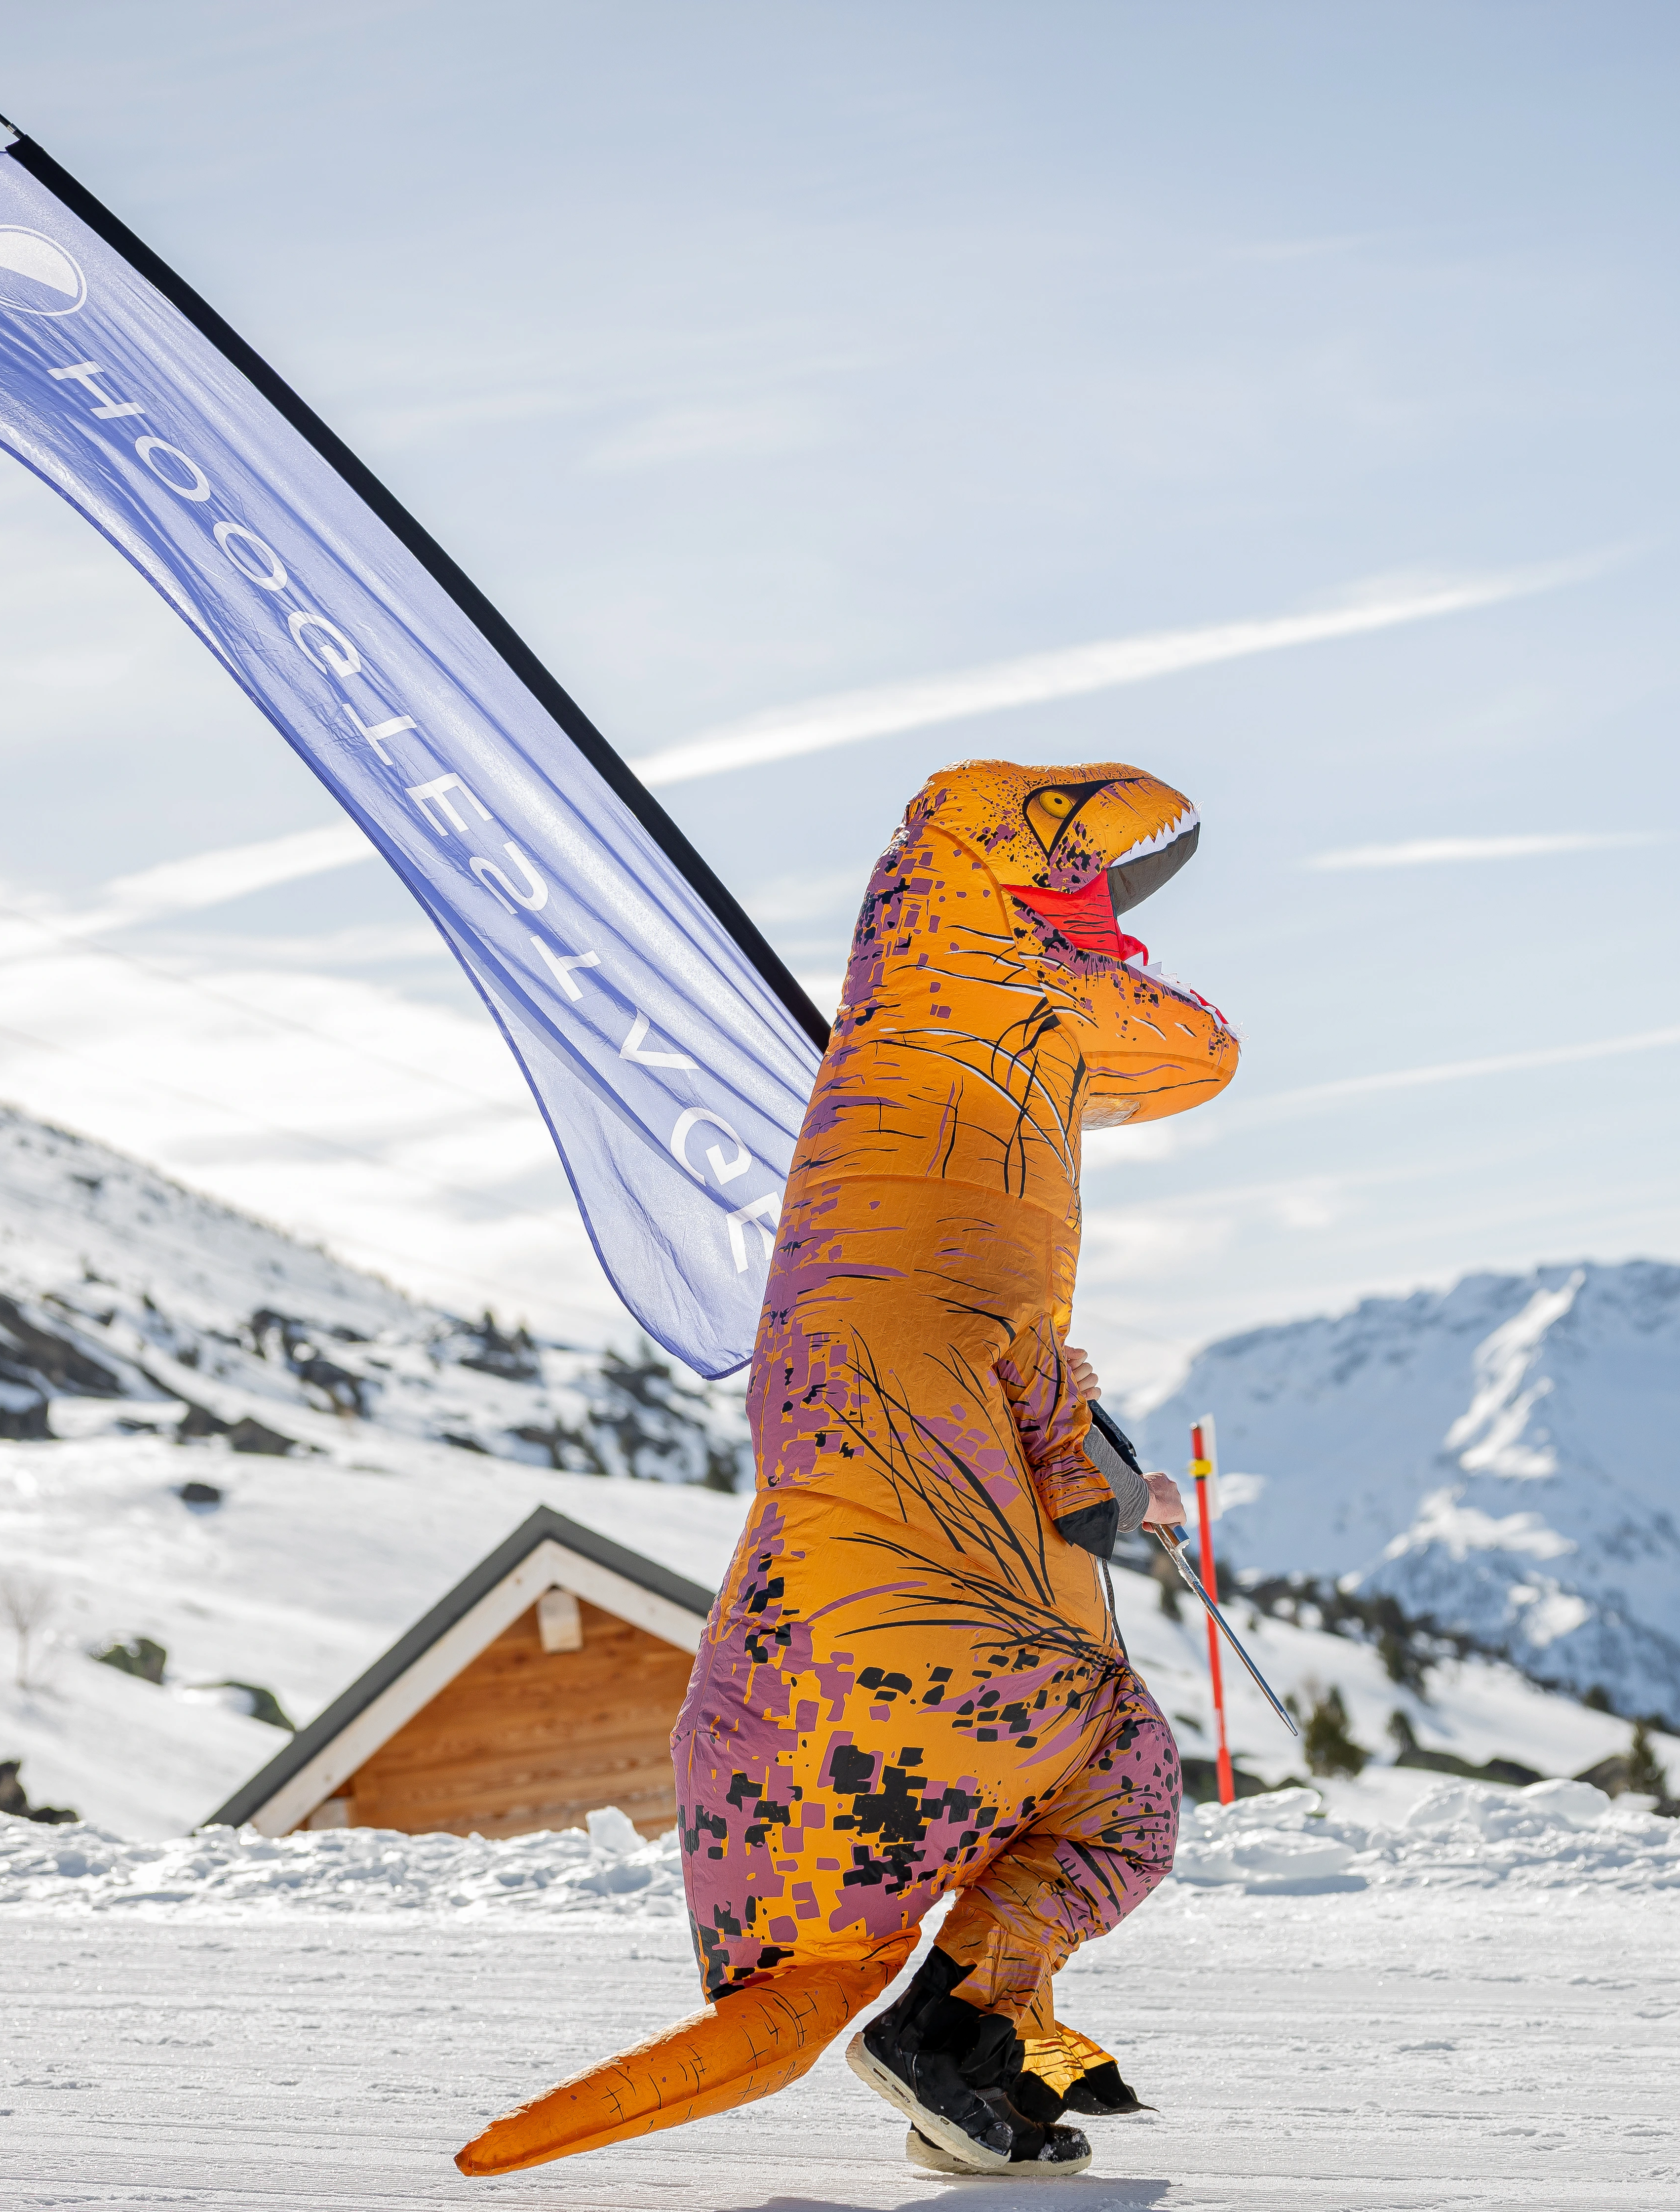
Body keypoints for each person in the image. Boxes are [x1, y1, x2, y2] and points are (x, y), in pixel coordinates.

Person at [458, 760, 1237, 2180]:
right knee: (1083, 1750)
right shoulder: (969, 962)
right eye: (1092, 899)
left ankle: (959, 2052)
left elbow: (1155, 1077)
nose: (1118, 927)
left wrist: (1081, 1459)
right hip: (899, 1435)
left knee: (1104, 1782)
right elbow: (1191, 1038)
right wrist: (1088, 916)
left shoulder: (988, 1030)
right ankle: (930, 2029)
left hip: (945, 1403)